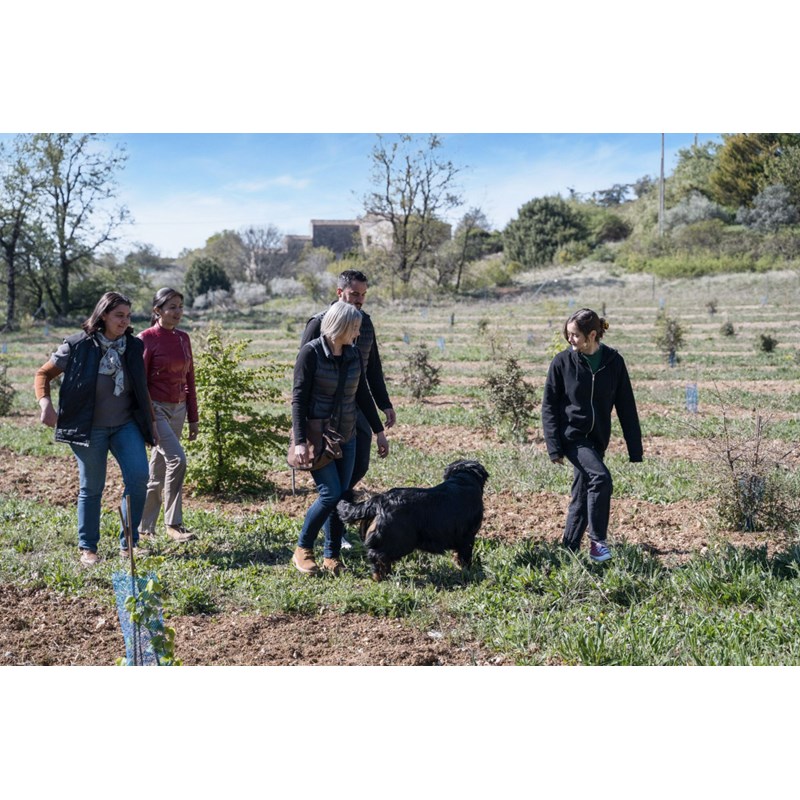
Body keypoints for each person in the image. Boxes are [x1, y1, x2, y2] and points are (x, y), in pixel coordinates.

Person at [34, 292, 156, 566]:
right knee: (92, 486)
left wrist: (152, 423)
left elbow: (141, 388)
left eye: (128, 316)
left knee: (139, 478)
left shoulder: (133, 346)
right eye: (119, 315)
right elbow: (43, 374)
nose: (125, 321)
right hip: (88, 428)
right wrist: (46, 404)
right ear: (103, 315)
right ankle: (88, 548)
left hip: (125, 425)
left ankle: (129, 543)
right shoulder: (77, 345)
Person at [291, 300, 387, 576]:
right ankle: (303, 549)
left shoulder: (353, 354)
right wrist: (300, 441)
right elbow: (298, 399)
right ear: (341, 326)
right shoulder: (310, 353)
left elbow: (363, 395)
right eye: (355, 327)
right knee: (330, 493)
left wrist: (379, 431)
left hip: (347, 435)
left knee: (342, 495)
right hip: (318, 437)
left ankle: (331, 556)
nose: (358, 333)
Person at [541, 307, 643, 563]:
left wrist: (635, 449)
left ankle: (568, 550)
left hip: (598, 440)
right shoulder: (562, 362)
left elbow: (626, 407)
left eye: (575, 335)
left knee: (583, 492)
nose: (570, 339)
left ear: (593, 335)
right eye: (568, 334)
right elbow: (549, 406)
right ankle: (598, 543)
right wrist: (554, 446)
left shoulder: (613, 362)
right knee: (600, 479)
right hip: (572, 437)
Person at [300, 269, 393, 547]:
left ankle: (334, 522)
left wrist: (384, 404)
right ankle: (333, 535)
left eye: (364, 294)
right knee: (335, 487)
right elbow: (302, 379)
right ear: (340, 293)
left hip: (357, 410)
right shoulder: (318, 323)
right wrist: (304, 427)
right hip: (325, 416)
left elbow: (372, 369)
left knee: (358, 467)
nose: (360, 299)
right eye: (354, 294)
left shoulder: (365, 323)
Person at [138, 287, 198, 543]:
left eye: (180, 307)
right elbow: (139, 383)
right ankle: (173, 523)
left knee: (158, 469)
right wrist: (147, 418)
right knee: (177, 460)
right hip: (156, 409)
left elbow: (189, 379)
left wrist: (193, 417)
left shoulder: (183, 338)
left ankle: (144, 528)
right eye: (171, 307)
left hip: (179, 409)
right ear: (157, 310)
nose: (177, 312)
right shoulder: (146, 338)